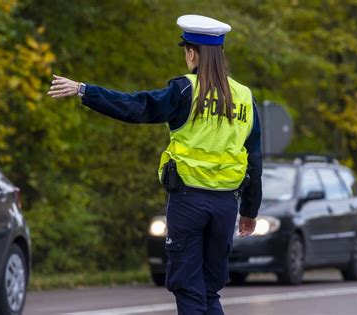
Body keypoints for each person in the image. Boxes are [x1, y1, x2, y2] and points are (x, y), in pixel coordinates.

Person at [48, 14, 262, 315]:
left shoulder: (185, 90)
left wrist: (85, 90)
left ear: (191, 53)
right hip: (226, 205)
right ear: (222, 54)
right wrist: (250, 211)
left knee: (188, 288)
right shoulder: (245, 98)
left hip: (189, 202)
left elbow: (136, 107)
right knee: (209, 290)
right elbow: (254, 160)